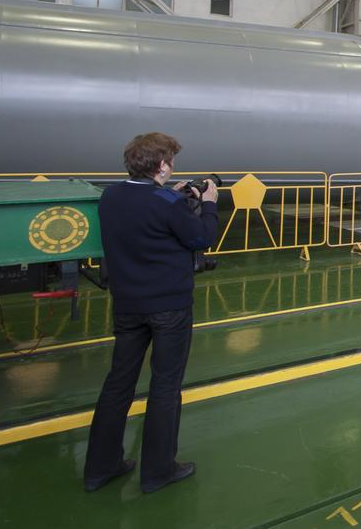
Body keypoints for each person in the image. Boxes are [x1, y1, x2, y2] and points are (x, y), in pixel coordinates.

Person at [84, 132, 218, 494]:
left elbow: (144, 213)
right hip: (169, 307)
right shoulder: (166, 203)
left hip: (128, 306)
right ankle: (158, 471)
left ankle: (100, 467)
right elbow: (201, 237)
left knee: (118, 384)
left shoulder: (111, 196)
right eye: (170, 161)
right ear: (162, 166)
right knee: (164, 386)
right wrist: (208, 202)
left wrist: (172, 193)